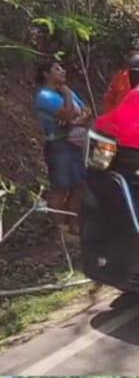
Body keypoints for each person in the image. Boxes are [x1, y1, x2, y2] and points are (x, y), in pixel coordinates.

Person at [34, 59, 92, 255]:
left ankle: (74, 224)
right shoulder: (46, 96)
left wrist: (78, 119)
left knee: (80, 184)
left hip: (76, 144)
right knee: (61, 186)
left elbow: (86, 112)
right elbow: (67, 115)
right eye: (57, 69)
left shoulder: (66, 90)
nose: (63, 71)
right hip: (59, 145)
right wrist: (67, 97)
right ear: (46, 74)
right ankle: (59, 229)